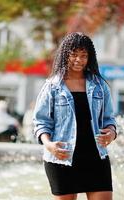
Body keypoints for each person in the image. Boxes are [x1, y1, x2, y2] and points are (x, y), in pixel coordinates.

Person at [33, 32, 117, 200]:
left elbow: (109, 119)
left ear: (90, 57)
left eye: (84, 56)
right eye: (74, 55)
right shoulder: (52, 87)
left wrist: (111, 133)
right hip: (62, 158)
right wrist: (48, 145)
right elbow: (40, 122)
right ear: (66, 55)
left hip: (95, 158)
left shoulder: (100, 86)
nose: (79, 60)